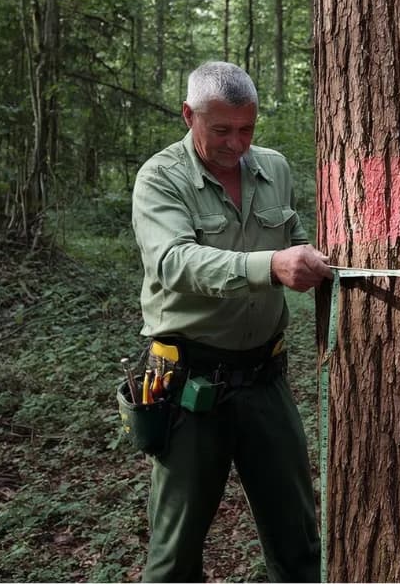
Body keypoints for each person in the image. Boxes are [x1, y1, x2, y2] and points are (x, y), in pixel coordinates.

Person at [130, 61, 330, 582]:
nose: (236, 144)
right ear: (188, 115)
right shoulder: (161, 177)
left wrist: (311, 260)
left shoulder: (275, 169)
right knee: (174, 558)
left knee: (300, 545)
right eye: (221, 130)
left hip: (266, 378)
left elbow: (297, 240)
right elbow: (173, 262)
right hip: (190, 383)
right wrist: (269, 265)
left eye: (247, 129)